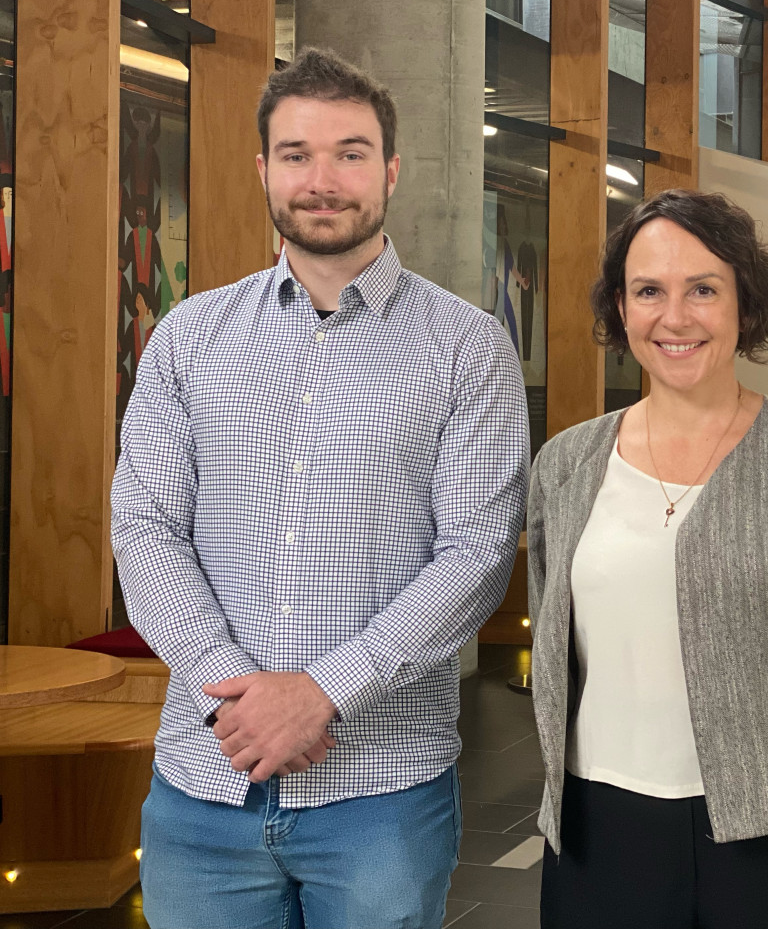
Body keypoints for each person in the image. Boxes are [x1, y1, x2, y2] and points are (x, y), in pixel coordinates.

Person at [110, 48, 529, 929]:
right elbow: (145, 526)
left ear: (391, 170)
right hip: (203, 783)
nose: (322, 179)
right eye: (297, 155)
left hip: (382, 797)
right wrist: (236, 691)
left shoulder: (467, 347)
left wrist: (322, 694)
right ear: (263, 169)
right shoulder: (191, 337)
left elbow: (478, 555)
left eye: (350, 152)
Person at [527, 189, 768, 929]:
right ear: (621, 309)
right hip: (599, 834)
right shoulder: (566, 464)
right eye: (648, 292)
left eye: (703, 289)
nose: (676, 316)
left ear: (743, 304)